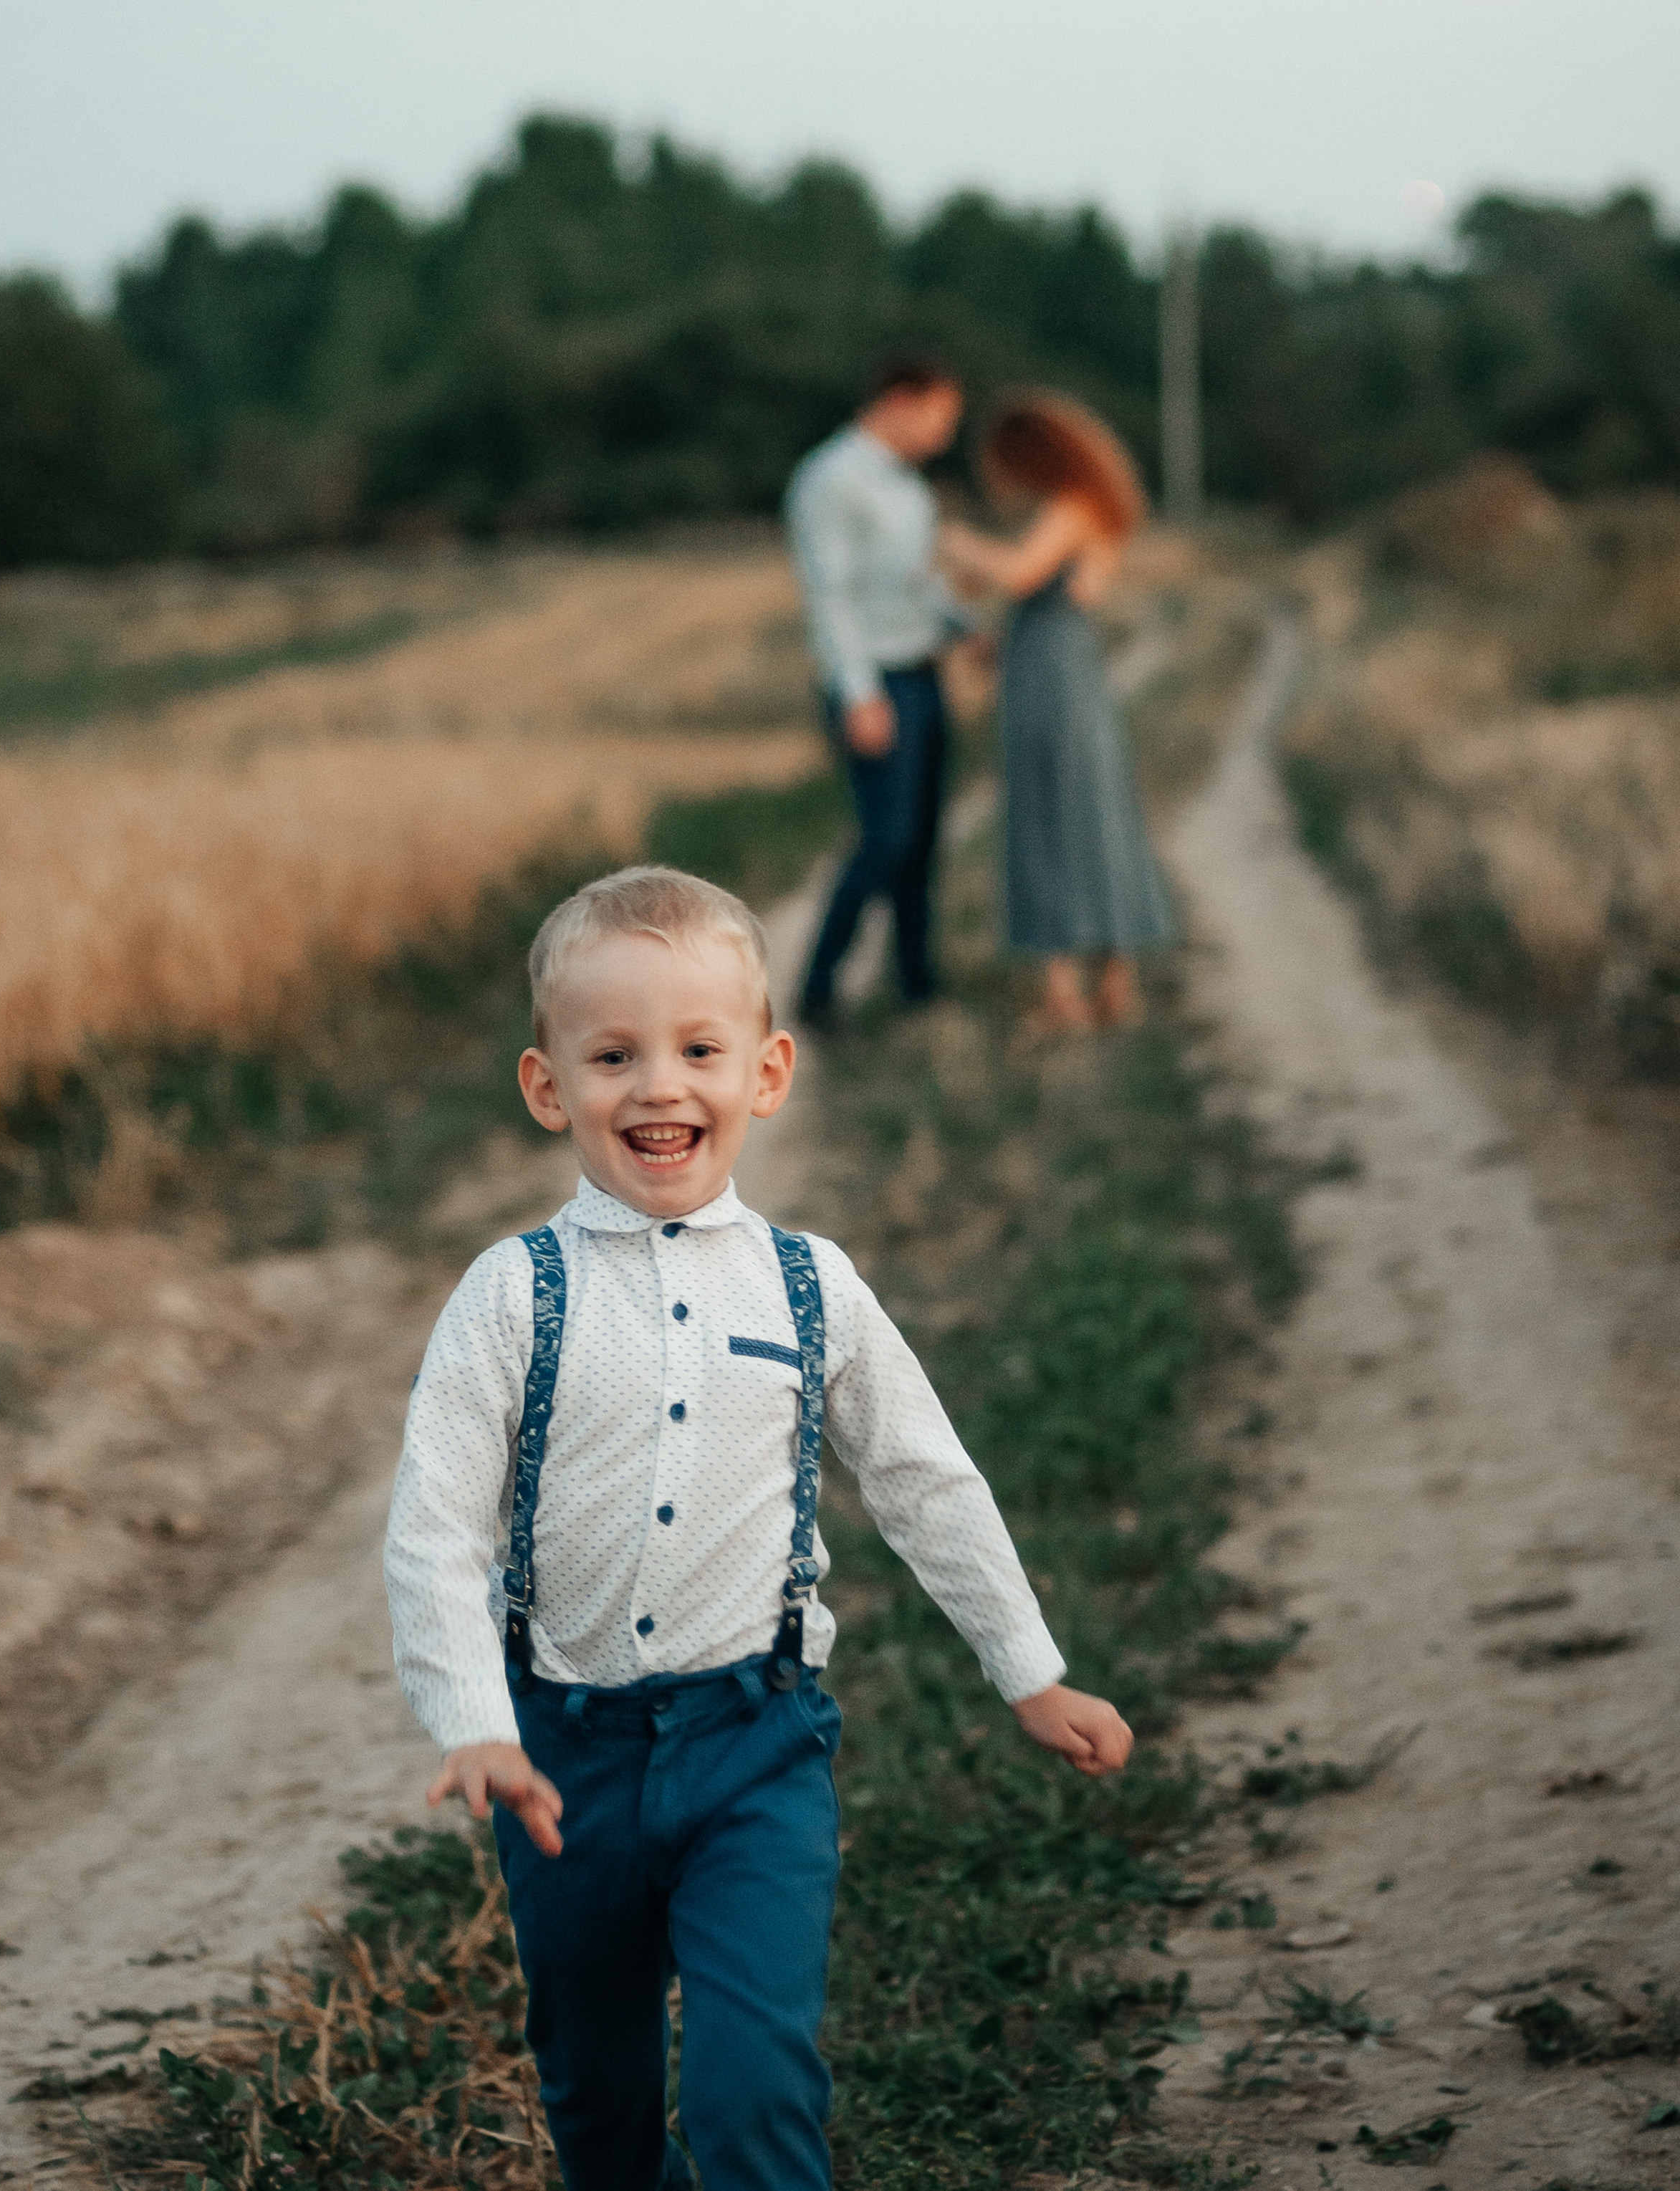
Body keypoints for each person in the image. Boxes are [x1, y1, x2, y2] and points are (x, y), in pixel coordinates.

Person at [384, 865, 1133, 2191]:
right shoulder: (510, 1297)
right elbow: (435, 1523)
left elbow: (924, 1478)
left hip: (757, 1745)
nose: (658, 1086)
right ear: (548, 1086)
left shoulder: (811, 1284)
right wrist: (476, 1722)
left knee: (752, 2091)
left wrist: (1030, 1667)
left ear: (768, 1072)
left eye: (698, 1049)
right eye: (613, 1054)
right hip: (569, 1768)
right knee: (600, 2105)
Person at [938, 392, 1174, 1034]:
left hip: (1053, 673)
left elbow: (1018, 573)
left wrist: (952, 541)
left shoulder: (1070, 507)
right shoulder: (1090, 508)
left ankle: (1064, 992)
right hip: (1060, 664)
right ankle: (1111, 977)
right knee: (1094, 809)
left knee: (1047, 812)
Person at [784, 356, 971, 1029]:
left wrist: (965, 628)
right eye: (939, 417)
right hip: (875, 682)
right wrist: (859, 694)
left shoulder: (908, 487)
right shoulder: (831, 479)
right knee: (884, 840)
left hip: (923, 674)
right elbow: (829, 598)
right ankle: (818, 990)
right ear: (898, 399)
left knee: (922, 838)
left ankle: (918, 984)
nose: (944, 435)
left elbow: (917, 581)